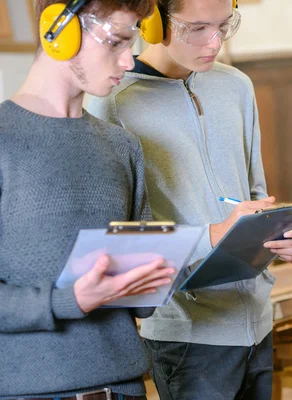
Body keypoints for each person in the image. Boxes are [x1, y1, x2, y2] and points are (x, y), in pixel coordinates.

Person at [87, 0, 292, 398]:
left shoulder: (236, 86)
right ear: (154, 22)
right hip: (187, 336)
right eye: (197, 28)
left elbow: (254, 194)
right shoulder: (114, 104)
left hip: (257, 323)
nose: (214, 42)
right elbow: (119, 240)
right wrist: (213, 233)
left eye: (225, 25)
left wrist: (281, 236)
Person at [0, 0, 178, 398]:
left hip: (126, 389)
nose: (128, 62)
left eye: (130, 44)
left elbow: (142, 302)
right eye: (115, 42)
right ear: (60, 31)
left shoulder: (122, 146)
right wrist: (70, 300)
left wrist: (163, 275)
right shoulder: (3, 142)